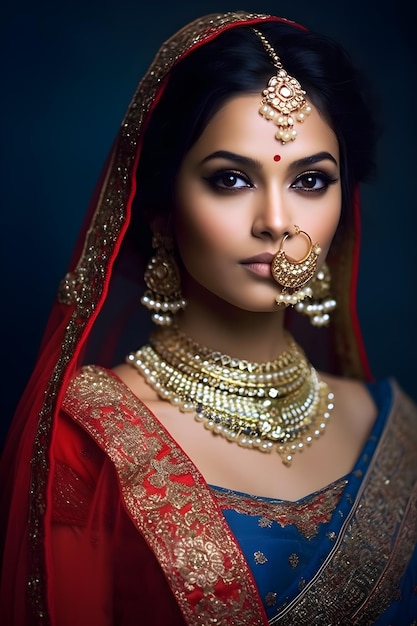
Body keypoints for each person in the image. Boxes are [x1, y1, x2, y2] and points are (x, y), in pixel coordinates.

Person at [1, 9, 416, 625]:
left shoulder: (396, 426)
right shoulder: (88, 440)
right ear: (163, 206)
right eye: (230, 179)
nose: (276, 222)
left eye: (309, 180)